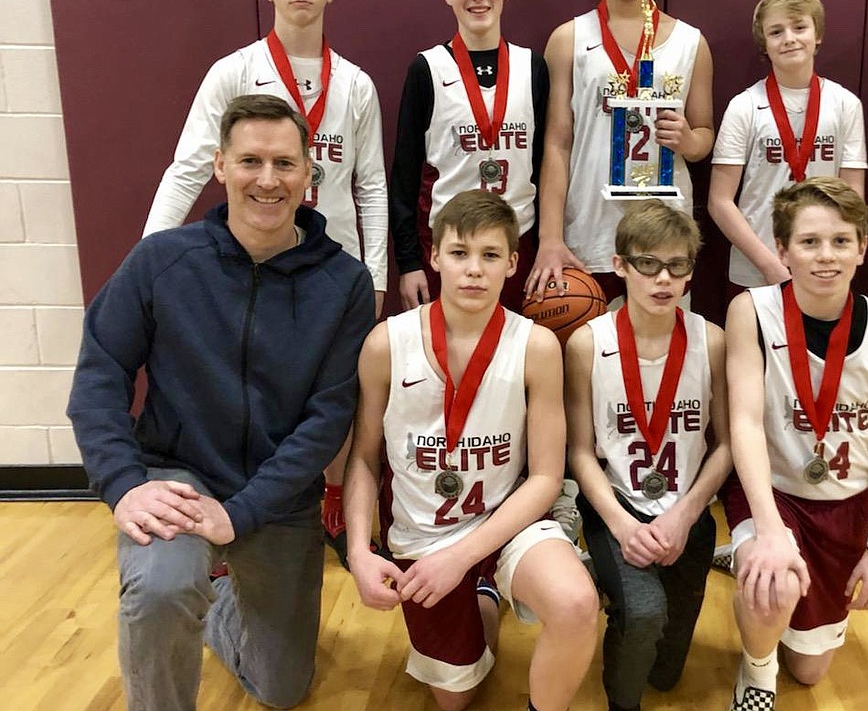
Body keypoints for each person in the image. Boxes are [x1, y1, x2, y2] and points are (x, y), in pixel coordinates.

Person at [67, 94, 375, 711]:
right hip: (179, 475)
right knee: (159, 591)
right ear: (220, 166)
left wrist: (244, 511)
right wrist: (126, 484)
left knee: (281, 689)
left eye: (285, 163)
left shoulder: (346, 283)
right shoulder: (161, 260)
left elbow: (328, 417)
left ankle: (224, 607)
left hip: (278, 493)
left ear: (310, 173)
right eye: (251, 161)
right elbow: (99, 374)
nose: (268, 179)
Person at [142, 0, 389, 564]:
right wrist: (150, 256)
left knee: (333, 391)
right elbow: (189, 167)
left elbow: (371, 187)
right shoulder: (234, 72)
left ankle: (329, 499)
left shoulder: (356, 84)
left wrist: (378, 271)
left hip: (328, 269)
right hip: (250, 262)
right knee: (245, 391)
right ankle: (228, 512)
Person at [344, 189, 598, 711]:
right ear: (435, 257)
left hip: (509, 522)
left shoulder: (536, 346)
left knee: (575, 605)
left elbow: (547, 477)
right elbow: (364, 459)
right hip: (423, 533)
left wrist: (463, 557)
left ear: (512, 262)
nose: (474, 271)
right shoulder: (386, 344)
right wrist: (358, 552)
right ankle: (485, 598)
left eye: (489, 256)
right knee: (454, 698)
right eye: (459, 254)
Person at [722, 177, 868, 710]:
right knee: (772, 584)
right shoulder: (751, 311)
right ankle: (757, 669)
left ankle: (770, 603)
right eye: (808, 242)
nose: (825, 256)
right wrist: (768, 526)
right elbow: (745, 422)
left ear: (862, 249)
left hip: (844, 504)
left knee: (809, 670)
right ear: (781, 250)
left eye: (840, 241)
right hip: (774, 491)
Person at [565, 200, 731, 711]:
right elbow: (579, 451)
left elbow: (726, 445)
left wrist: (685, 516)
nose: (664, 279)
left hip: (688, 511)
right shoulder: (586, 344)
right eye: (648, 264)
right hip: (617, 506)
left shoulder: (714, 342)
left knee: (667, 672)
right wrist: (619, 525)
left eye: (678, 265)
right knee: (642, 615)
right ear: (620, 266)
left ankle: (611, 585)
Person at [527, 0, 714, 304]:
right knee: (590, 360)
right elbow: (557, 144)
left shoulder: (691, 43)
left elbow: (704, 137)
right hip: (589, 231)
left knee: (658, 359)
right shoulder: (568, 39)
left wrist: (688, 139)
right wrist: (551, 237)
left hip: (665, 234)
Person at [391, 0, 548, 312]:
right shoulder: (427, 68)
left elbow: (547, 166)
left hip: (518, 246)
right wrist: (409, 262)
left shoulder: (533, 67)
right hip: (448, 247)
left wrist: (547, 243)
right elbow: (405, 175)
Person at [708, 0, 866, 295]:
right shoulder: (744, 106)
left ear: (817, 34)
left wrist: (835, 254)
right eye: (776, 31)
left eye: (799, 27)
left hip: (824, 265)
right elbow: (719, 200)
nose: (789, 38)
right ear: (764, 44)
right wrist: (770, 265)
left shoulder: (845, 104)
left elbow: (853, 195)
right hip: (756, 268)